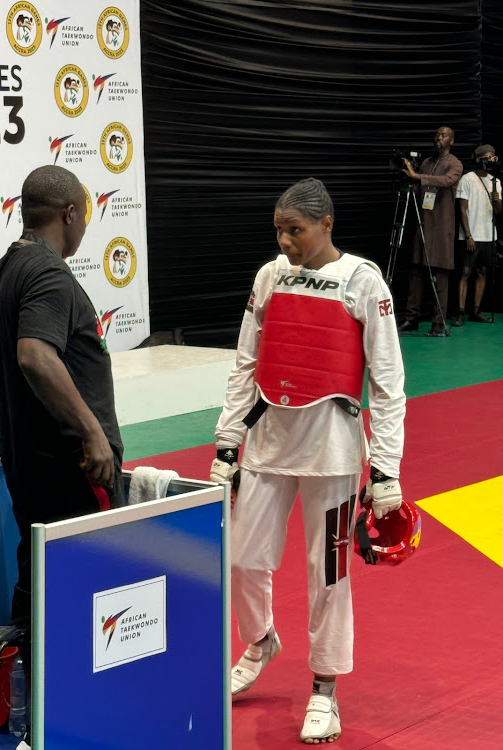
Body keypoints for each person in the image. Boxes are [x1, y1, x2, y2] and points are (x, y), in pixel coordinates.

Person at [210, 178, 406, 744]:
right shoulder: (269, 276)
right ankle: (262, 638)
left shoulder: (364, 282)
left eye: (294, 229)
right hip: (269, 445)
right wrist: (227, 445)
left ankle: (325, 688)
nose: (285, 239)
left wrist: (387, 471)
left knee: (330, 576)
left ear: (327, 225)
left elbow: (388, 384)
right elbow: (246, 363)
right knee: (244, 560)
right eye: (279, 229)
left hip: (335, 455)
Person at [0, 166, 124, 747]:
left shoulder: (1, 274)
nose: (85, 224)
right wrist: (92, 433)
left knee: (36, 586)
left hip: (29, 465)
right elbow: (36, 356)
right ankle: (71, 720)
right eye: (84, 214)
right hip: (71, 468)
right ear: (69, 213)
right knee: (85, 596)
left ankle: (32, 720)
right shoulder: (49, 274)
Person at [397, 126, 463, 336]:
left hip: (442, 228)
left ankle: (438, 323)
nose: (438, 137)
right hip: (423, 224)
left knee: (440, 276)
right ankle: (411, 318)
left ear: (451, 141)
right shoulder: (427, 162)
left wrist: (418, 177)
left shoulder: (455, 163)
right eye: (436, 134)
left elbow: (447, 181)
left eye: (443, 135)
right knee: (416, 273)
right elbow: (420, 189)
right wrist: (411, 180)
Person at [453, 144, 502, 326]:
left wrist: (497, 201)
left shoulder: (495, 181)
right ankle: (460, 312)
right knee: (465, 272)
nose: (491, 161)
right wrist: (468, 235)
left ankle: (476, 311)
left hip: (489, 236)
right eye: (488, 158)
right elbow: (462, 209)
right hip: (471, 235)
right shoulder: (467, 179)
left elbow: (498, 212)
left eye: (493, 158)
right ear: (479, 159)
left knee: (482, 272)